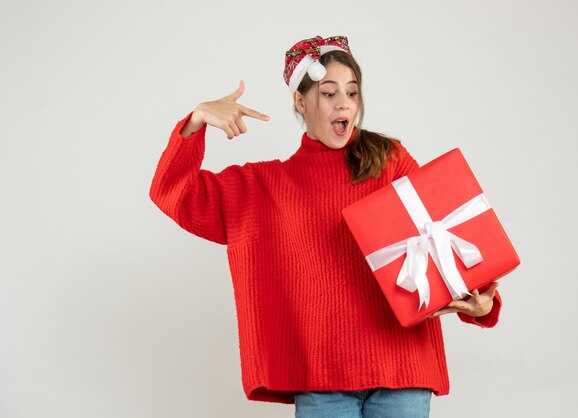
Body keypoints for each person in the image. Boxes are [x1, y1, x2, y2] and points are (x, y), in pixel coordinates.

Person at [149, 35, 501, 418]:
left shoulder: (390, 162)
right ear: (300, 102)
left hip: (403, 371)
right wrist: (196, 121)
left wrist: (481, 305)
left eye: (352, 92)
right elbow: (174, 193)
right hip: (322, 381)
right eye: (329, 93)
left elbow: (444, 237)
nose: (344, 103)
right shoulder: (265, 187)